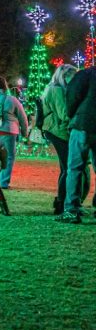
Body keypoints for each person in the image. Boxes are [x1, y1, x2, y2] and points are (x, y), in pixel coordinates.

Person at [57, 63, 96, 223]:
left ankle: (71, 209)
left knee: (74, 168)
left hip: (82, 124)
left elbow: (72, 96)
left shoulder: (85, 74)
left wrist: (72, 113)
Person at [41, 64, 78, 215]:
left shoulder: (53, 88)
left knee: (67, 167)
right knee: (67, 167)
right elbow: (64, 113)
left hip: (56, 129)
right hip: (57, 130)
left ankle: (63, 201)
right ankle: (62, 202)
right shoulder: (56, 89)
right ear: (64, 76)